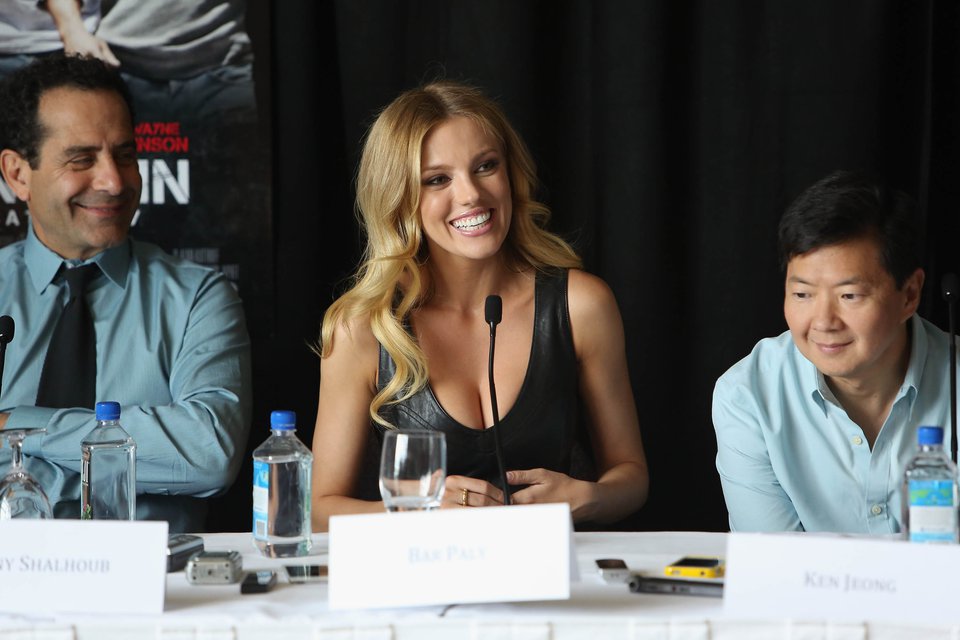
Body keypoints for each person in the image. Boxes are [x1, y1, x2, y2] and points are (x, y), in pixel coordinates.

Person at [310, 81, 649, 531]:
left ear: (511, 173)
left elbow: (631, 477)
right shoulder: (362, 328)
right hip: (422, 570)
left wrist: (589, 497)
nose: (471, 194)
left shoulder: (582, 305)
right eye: (437, 179)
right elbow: (320, 510)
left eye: (486, 166)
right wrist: (417, 512)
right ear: (399, 197)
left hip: (546, 568)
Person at [0, 53, 252, 532]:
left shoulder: (197, 298)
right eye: (81, 159)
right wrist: (140, 444)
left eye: (125, 154)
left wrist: (16, 426)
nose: (114, 182)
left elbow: (209, 453)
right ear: (18, 174)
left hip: (154, 575)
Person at [713, 170, 957, 534]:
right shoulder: (748, 396)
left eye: (849, 295)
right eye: (802, 294)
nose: (824, 321)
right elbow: (775, 560)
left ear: (909, 295)